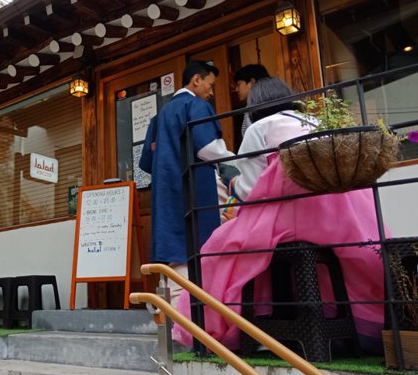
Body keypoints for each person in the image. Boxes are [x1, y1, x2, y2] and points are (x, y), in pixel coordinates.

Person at [173, 77, 385, 353]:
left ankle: (241, 327)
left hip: (288, 220)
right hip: (339, 219)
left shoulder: (260, 128)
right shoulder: (315, 123)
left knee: (217, 247)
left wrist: (234, 183)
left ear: (255, 105)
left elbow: (250, 190)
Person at [139, 61, 233, 299]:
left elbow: (146, 162)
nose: (211, 92)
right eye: (210, 85)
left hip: (166, 192)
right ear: (196, 80)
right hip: (197, 188)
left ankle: (175, 311)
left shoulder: (158, 118)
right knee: (204, 246)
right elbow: (208, 148)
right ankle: (200, 314)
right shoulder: (196, 105)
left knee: (175, 254)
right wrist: (237, 164)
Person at [232, 64, 270, 136]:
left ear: (252, 82)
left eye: (239, 84)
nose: (236, 89)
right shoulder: (251, 106)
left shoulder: (261, 107)